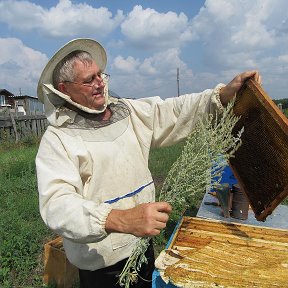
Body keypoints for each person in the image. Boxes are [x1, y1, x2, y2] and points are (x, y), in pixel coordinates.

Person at [36, 38, 261, 288]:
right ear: (64, 89)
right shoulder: (59, 139)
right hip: (102, 263)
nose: (100, 83)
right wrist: (118, 219)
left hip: (142, 244)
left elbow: (172, 111)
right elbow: (57, 204)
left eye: (100, 75)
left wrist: (221, 95)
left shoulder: (128, 112)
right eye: (89, 79)